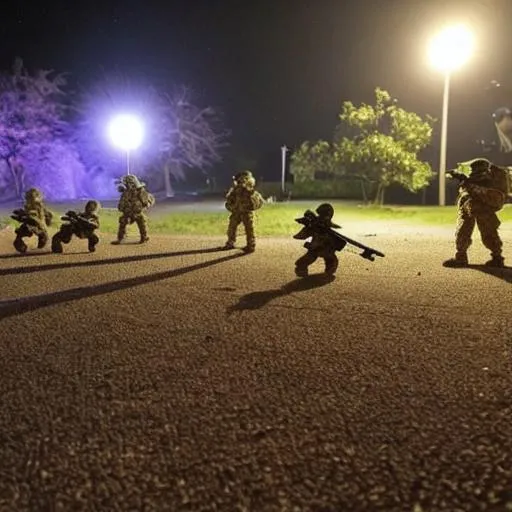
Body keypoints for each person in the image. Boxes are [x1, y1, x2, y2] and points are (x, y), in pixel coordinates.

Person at [443, 158, 509, 268]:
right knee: (481, 230)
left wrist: (467, 182)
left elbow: (482, 192)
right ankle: (496, 257)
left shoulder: (489, 183)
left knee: (479, 230)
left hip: (481, 208)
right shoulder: (484, 180)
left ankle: (463, 257)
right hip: (475, 207)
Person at [293, 203, 342, 277]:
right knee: (308, 258)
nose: (322, 218)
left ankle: (330, 267)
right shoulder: (314, 225)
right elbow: (305, 232)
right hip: (315, 246)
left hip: (327, 247)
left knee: (330, 258)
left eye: (324, 215)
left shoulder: (327, 225)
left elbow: (335, 230)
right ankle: (301, 268)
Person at [223, 170, 264, 253]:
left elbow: (252, 194)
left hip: (246, 211)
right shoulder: (236, 188)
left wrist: (243, 186)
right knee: (232, 226)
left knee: (249, 229)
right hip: (237, 211)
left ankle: (250, 245)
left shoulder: (248, 187)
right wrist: (231, 204)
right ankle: (230, 242)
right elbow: (230, 197)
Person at [111, 174, 155, 245]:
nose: (126, 185)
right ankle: (120, 238)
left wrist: (146, 204)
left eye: (127, 183)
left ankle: (144, 237)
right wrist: (122, 207)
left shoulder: (140, 191)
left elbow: (147, 201)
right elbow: (122, 202)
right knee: (123, 222)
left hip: (138, 213)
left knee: (142, 223)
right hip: (127, 213)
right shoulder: (125, 193)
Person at [12, 188, 53, 253]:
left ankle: (41, 245)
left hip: (39, 227)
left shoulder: (39, 206)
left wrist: (25, 215)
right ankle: (23, 247)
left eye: (31, 197)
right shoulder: (28, 206)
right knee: (19, 235)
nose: (29, 199)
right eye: (28, 197)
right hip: (30, 225)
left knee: (42, 240)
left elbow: (36, 216)